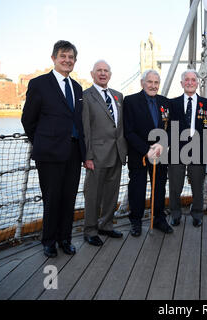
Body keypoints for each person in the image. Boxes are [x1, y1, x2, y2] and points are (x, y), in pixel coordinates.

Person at [21, 40, 86, 258]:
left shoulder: (77, 88)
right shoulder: (39, 84)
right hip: (49, 154)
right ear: (54, 59)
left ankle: (64, 239)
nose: (67, 61)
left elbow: (78, 122)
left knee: (69, 198)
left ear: (75, 61)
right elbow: (28, 120)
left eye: (71, 58)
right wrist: (42, 141)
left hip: (74, 153)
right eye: (63, 57)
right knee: (52, 198)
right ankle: (48, 241)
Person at [81, 60, 127, 246]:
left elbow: (120, 125)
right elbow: (85, 129)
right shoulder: (86, 96)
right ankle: (90, 230)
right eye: (99, 71)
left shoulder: (118, 96)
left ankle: (106, 225)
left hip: (116, 152)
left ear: (110, 74)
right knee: (93, 195)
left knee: (111, 193)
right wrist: (87, 156)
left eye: (106, 71)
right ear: (92, 74)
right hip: (96, 156)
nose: (102, 73)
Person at [123, 69, 173, 237]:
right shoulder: (130, 101)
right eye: (150, 82)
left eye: (156, 83)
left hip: (160, 153)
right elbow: (128, 131)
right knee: (137, 188)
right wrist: (146, 150)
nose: (153, 86)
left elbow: (171, 128)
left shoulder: (165, 102)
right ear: (142, 83)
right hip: (139, 155)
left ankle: (159, 218)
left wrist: (162, 144)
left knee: (159, 188)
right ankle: (135, 221)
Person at [168, 69, 207, 228]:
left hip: (198, 149)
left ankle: (197, 214)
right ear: (181, 83)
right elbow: (166, 127)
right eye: (186, 79)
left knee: (197, 185)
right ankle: (175, 214)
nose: (190, 82)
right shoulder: (172, 104)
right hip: (176, 149)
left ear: (197, 83)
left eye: (193, 80)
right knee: (175, 185)